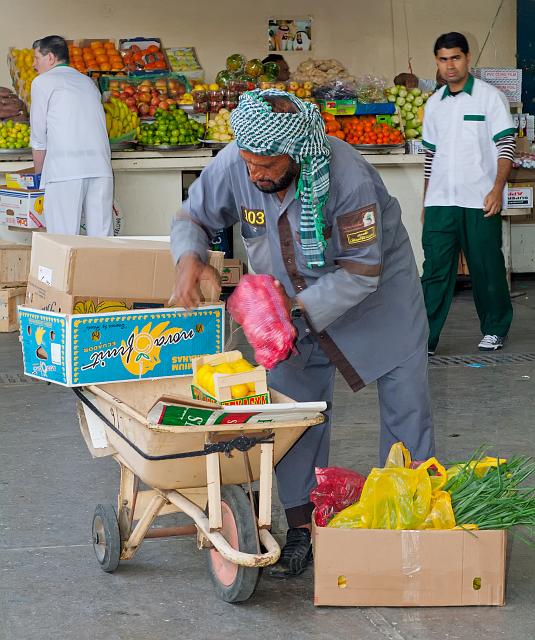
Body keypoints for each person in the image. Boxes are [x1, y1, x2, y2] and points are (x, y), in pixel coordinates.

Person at [170, 90, 434, 578]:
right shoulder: (241, 159)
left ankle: (408, 520)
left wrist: (287, 305)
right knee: (291, 417)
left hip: (377, 302)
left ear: (296, 153)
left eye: (266, 166)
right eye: (248, 163)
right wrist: (190, 258)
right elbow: (194, 216)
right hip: (284, 310)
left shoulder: (348, 177)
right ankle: (300, 525)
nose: (254, 175)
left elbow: (361, 272)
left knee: (406, 408)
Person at [422, 32, 515, 353]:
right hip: (439, 202)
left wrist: (497, 189)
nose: (450, 65)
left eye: (456, 58)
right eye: (444, 59)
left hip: (479, 198)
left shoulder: (490, 98)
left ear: (467, 58)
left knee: (486, 265)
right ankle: (425, 338)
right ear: (437, 62)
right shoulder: (433, 104)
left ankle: (495, 327)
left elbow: (506, 145)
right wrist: (425, 199)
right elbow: (430, 157)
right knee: (434, 271)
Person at [30, 35, 113, 236]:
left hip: (65, 171)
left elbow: (39, 136)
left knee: (63, 241)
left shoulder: (42, 82)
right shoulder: (87, 82)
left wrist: (39, 175)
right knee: (102, 244)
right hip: (101, 169)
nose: (33, 65)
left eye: (36, 58)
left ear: (50, 58)